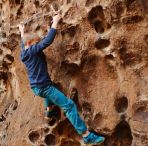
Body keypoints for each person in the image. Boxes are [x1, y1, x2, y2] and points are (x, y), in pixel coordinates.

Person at [18, 13, 105, 145]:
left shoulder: (24, 52)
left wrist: (22, 32)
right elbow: (47, 41)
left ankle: (49, 112)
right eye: (36, 43)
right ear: (31, 44)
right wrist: (55, 22)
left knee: (49, 88)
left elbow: (23, 43)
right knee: (69, 105)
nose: (38, 45)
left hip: (36, 88)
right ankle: (87, 135)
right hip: (43, 87)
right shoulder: (33, 50)